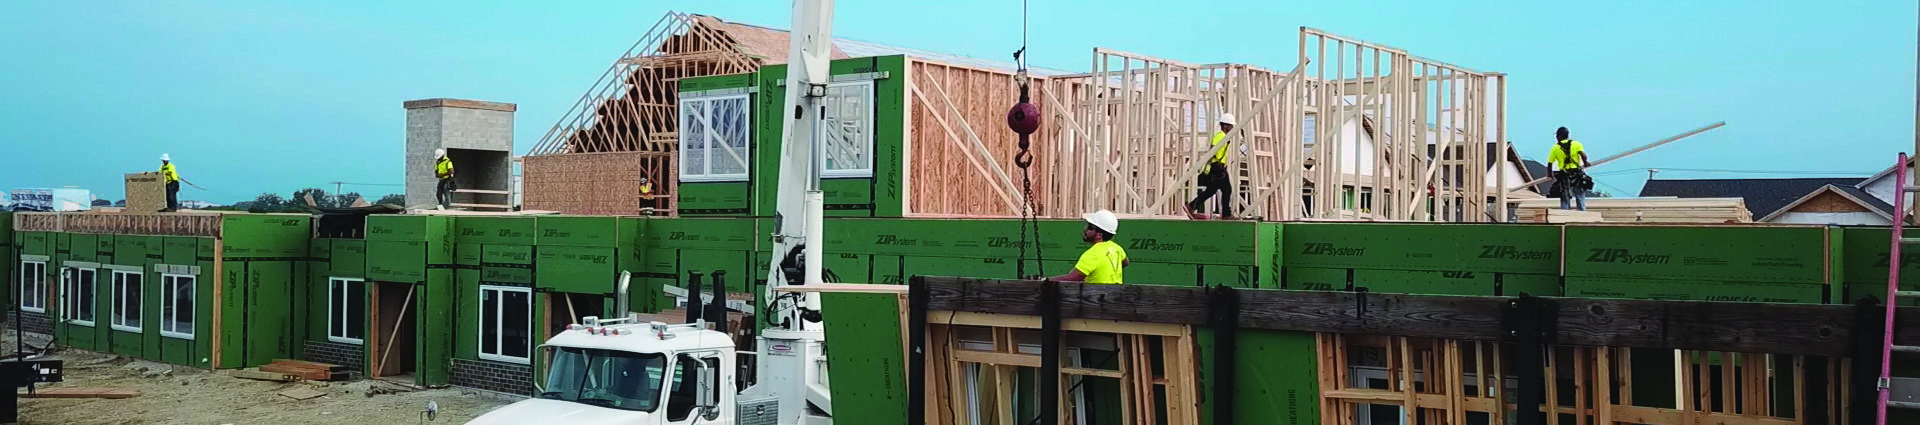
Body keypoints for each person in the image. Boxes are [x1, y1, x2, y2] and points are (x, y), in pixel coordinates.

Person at [1044, 210, 1129, 284]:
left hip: (1098, 298)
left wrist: (1045, 280)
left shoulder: (1093, 254)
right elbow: (1125, 263)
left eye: (1090, 228)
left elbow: (1071, 279)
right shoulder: (1117, 249)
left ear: (1099, 234)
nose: (1085, 230)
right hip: (1114, 297)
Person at [1186, 113, 1235, 219]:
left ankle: (1191, 206)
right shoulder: (1220, 135)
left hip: (1217, 167)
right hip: (1218, 168)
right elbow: (1213, 149)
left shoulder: (1222, 136)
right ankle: (1226, 214)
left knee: (1210, 191)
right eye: (1231, 126)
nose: (1232, 128)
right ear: (1226, 126)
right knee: (1227, 190)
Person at [1547, 127, 1592, 211]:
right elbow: (1583, 154)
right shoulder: (1576, 144)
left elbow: (1550, 163)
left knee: (1565, 195)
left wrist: (1550, 175)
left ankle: (1565, 213)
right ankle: (1582, 212)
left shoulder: (1555, 148)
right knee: (1579, 194)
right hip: (1576, 173)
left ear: (1559, 136)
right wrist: (1585, 162)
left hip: (1564, 174)